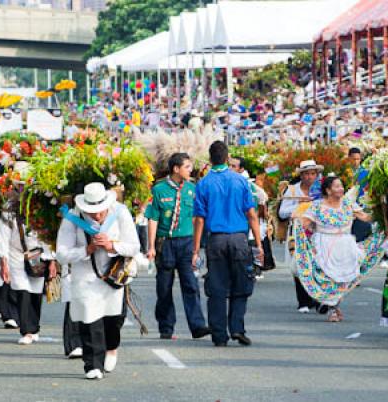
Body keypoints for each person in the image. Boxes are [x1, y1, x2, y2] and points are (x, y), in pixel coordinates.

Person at [56, 182, 141, 379]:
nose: (97, 215)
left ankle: (112, 347)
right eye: (92, 211)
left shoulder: (119, 213)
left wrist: (111, 245)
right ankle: (93, 365)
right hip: (85, 277)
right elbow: (61, 254)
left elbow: (134, 246)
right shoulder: (73, 218)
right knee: (89, 317)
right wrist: (86, 250)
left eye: (100, 211)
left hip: (113, 276)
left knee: (113, 320)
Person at [192, 141, 262, 347]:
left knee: (217, 287)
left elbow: (199, 220)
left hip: (216, 238)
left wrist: (195, 249)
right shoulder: (240, 181)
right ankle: (237, 328)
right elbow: (251, 214)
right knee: (242, 283)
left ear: (210, 158)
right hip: (239, 238)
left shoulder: (203, 183)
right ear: (227, 157)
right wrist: (258, 244)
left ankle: (219, 333)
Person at [293, 175, 385, 322]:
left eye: (341, 186)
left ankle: (333, 305)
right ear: (328, 190)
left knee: (342, 280)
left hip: (346, 245)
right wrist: (297, 221)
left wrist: (381, 210)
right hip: (325, 245)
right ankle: (333, 309)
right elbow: (304, 223)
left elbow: (366, 217)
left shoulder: (348, 204)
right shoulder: (317, 206)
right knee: (329, 278)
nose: (341, 189)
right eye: (336, 186)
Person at [146, 153, 210, 340]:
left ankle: (197, 326)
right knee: (164, 287)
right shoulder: (159, 190)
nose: (190, 170)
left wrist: (196, 248)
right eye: (187, 167)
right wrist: (150, 246)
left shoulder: (192, 189)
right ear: (176, 169)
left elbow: (196, 218)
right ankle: (166, 327)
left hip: (186, 242)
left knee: (190, 284)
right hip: (165, 242)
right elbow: (153, 219)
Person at [0, 193, 57, 345]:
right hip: (15, 253)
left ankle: (34, 327)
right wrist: (3, 260)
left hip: (38, 254)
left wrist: (52, 259)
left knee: (36, 293)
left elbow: (49, 235)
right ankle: (27, 330)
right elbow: (3, 235)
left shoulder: (42, 206)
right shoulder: (9, 208)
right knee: (22, 290)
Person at [278, 160, 324, 313]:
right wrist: (299, 204)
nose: (310, 177)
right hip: (298, 233)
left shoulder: (321, 190)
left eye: (313, 174)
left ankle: (318, 299)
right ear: (301, 175)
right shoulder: (292, 191)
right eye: (306, 174)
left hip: (318, 232)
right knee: (299, 266)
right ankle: (303, 301)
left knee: (317, 266)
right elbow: (282, 213)